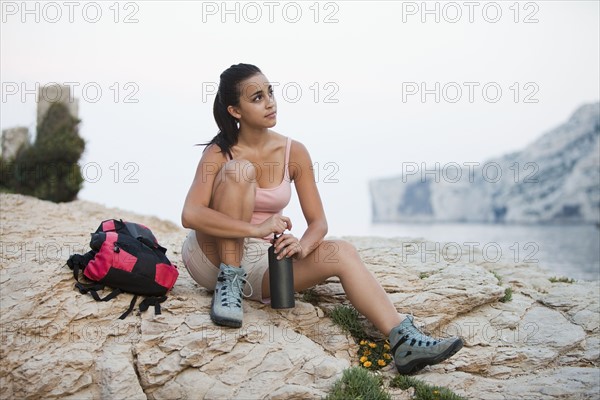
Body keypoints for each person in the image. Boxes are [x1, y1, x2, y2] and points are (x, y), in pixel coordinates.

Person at [181, 63, 463, 374]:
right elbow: (190, 214)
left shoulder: (293, 151)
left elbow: (318, 222)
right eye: (257, 97)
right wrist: (255, 228)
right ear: (235, 110)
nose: (270, 102)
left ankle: (403, 341)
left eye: (270, 92)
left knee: (341, 251)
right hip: (213, 256)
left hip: (261, 261)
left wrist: (301, 247)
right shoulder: (220, 152)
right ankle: (229, 284)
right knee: (241, 171)